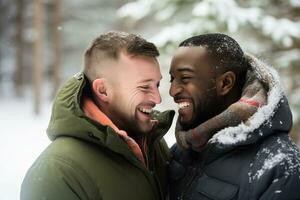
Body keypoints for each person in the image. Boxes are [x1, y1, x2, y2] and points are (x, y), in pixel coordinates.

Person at [21, 31, 175, 200]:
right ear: (103, 90)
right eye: (144, 87)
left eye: (157, 84)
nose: (157, 98)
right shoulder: (57, 173)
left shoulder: (152, 142)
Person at [168, 33, 300, 200]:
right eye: (172, 79)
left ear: (225, 83)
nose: (172, 91)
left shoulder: (280, 166)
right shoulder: (181, 150)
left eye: (185, 78)